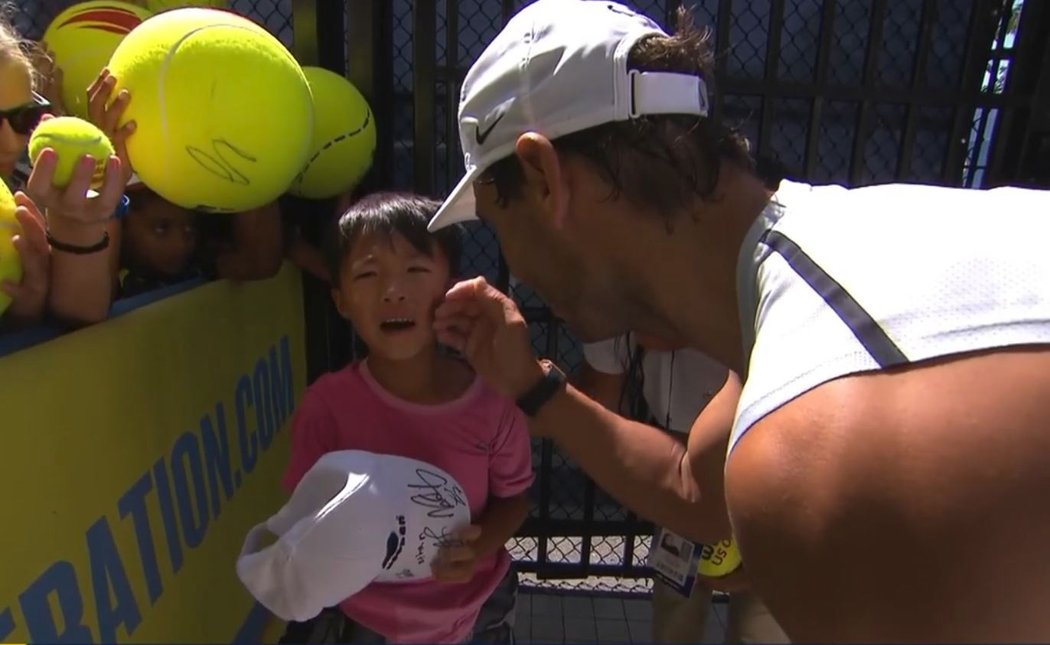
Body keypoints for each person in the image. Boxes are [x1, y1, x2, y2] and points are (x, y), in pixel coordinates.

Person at [428, 0, 1050, 641]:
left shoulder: (822, 444)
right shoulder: (849, 253)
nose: (517, 270)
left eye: (501, 226)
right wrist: (533, 383)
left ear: (543, 176)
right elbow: (695, 491)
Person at [280, 192, 533, 643]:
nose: (392, 290)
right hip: (364, 619)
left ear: (450, 289)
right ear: (340, 300)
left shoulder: (493, 400)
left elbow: (514, 500)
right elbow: (304, 511)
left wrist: (478, 548)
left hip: (477, 613)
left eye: (415, 270)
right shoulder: (326, 406)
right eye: (368, 274)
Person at [579, 333, 787, 644]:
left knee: (762, 613)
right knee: (677, 607)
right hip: (681, 444)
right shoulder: (627, 304)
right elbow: (602, 393)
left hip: (771, 443)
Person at [1, 14, 127, 329]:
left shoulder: (41, 187)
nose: (7, 142)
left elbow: (85, 319)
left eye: (22, 117)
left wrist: (76, 227)